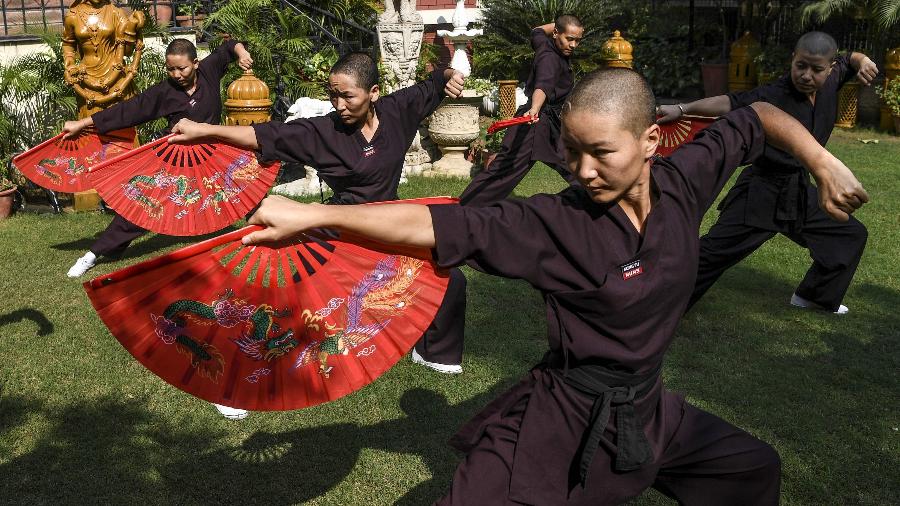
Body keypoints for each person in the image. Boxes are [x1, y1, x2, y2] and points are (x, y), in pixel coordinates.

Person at [211, 68, 867, 504]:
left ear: (649, 142)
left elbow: (756, 118)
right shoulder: (555, 225)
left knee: (752, 471)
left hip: (647, 411)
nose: (582, 171)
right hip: (564, 419)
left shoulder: (684, 180)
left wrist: (822, 160)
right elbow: (442, 225)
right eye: (572, 152)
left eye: (601, 153)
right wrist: (319, 215)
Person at [169, 52, 470, 376]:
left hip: (389, 223)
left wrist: (450, 75)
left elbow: (433, 84)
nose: (339, 104)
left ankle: (433, 353)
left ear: (373, 93)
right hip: (337, 230)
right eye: (333, 95)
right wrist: (202, 129)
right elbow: (264, 135)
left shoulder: (398, 110)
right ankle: (242, 367)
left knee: (451, 278)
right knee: (298, 302)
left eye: (348, 96)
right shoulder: (324, 133)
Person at [657, 31, 878, 314]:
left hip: (798, 192)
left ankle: (814, 297)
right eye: (801, 66)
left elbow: (849, 59)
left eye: (816, 69)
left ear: (829, 68)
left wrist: (863, 60)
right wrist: (682, 108)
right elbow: (729, 102)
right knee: (710, 255)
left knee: (848, 235)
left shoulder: (833, 79)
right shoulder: (773, 94)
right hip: (762, 193)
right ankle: (656, 307)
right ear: (792, 60)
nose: (807, 75)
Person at [64, 37, 253, 280]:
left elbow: (229, 45)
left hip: (212, 153)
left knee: (246, 179)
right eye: (170, 69)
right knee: (144, 208)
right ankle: (92, 255)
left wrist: (241, 52)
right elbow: (126, 111)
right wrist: (82, 123)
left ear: (195, 63)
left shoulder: (209, 71)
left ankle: (265, 226)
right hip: (176, 156)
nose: (176, 74)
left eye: (182, 68)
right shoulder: (165, 92)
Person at [458, 15, 584, 206]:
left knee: (576, 164)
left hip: (549, 122)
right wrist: (535, 108)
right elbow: (544, 85)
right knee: (505, 170)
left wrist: (562, 26)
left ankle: (598, 204)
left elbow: (537, 31)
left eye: (578, 40)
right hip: (535, 120)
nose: (574, 45)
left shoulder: (543, 44)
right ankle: (465, 208)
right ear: (556, 33)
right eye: (570, 39)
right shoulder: (550, 58)